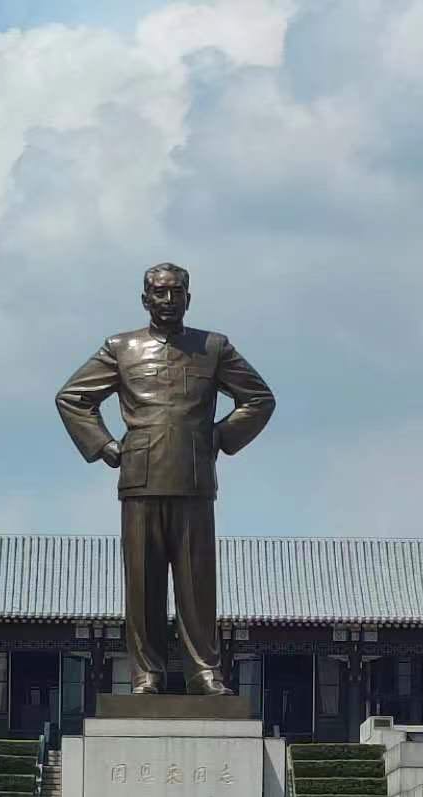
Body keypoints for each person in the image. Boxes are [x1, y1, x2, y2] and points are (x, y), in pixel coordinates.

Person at [55, 263, 276, 695]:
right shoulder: (121, 348)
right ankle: (146, 674)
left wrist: (218, 438)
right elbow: (73, 397)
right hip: (140, 479)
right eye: (160, 292)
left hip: (193, 480)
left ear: (189, 298)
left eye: (177, 292)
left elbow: (259, 398)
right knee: (143, 585)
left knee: (197, 585)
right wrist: (105, 446)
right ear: (145, 299)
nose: (169, 300)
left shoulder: (213, 347)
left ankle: (204, 671)